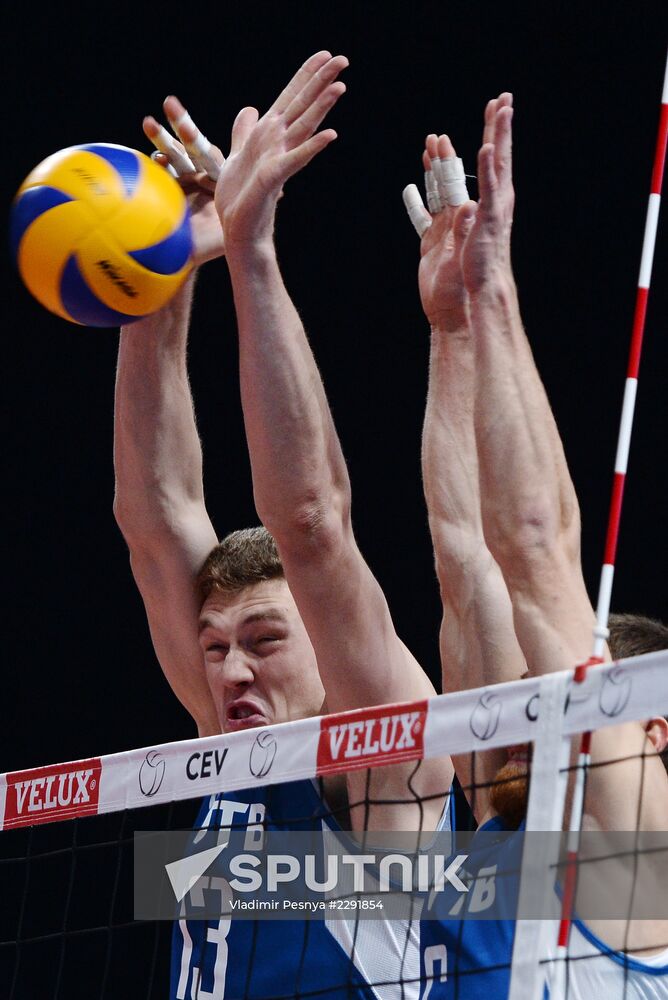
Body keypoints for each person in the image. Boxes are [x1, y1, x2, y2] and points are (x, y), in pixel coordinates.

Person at [113, 52, 451, 1000]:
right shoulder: (225, 742)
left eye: (262, 639)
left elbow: (310, 524)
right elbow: (154, 518)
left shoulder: (385, 767)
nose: (228, 670)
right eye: (216, 644)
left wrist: (251, 250)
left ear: (328, 646)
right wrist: (156, 276)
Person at [404, 95, 668, 997]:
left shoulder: (636, 844)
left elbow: (536, 547)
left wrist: (495, 293)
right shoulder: (506, 831)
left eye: (551, 703)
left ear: (651, 731)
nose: (523, 725)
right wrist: (451, 334)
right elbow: (463, 552)